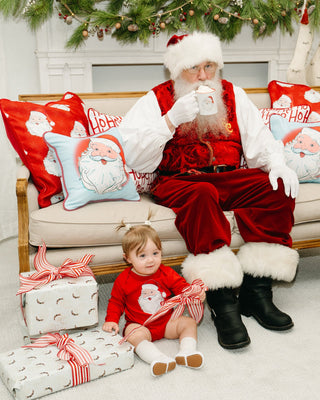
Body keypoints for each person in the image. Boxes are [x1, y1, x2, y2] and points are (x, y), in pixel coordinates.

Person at [118, 32, 300, 350]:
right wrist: (170, 120)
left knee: (277, 188)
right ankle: (222, 302)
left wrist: (278, 164)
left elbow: (258, 146)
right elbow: (137, 158)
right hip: (181, 181)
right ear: (176, 70)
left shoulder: (233, 94)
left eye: (209, 66)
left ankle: (257, 293)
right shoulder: (156, 99)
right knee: (203, 193)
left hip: (229, 177)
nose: (203, 76)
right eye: (193, 68)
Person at [102, 223, 206, 377]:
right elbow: (116, 302)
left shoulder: (166, 272)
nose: (150, 260)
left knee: (189, 322)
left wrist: (193, 295)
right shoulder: (124, 279)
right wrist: (111, 320)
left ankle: (187, 352)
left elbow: (181, 287)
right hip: (140, 324)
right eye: (142, 256)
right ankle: (157, 359)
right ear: (128, 258)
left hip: (167, 322)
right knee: (131, 334)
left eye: (155, 253)